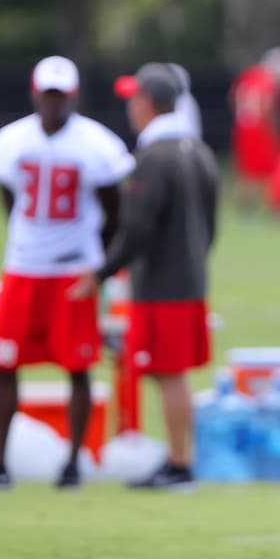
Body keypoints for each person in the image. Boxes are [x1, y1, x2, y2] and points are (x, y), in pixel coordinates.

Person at [0, 56, 134, 489]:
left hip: (71, 271)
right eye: (48, 95)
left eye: (61, 96)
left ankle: (73, 462)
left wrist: (97, 264)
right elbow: (9, 196)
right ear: (35, 93)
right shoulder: (12, 141)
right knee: (4, 361)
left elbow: (114, 211)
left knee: (78, 365)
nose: (54, 104)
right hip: (24, 266)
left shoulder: (95, 144)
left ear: (73, 96)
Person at [72, 63, 219, 490]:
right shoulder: (199, 152)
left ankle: (179, 463)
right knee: (167, 372)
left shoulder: (154, 158)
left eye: (135, 99)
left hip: (162, 285)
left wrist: (100, 273)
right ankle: (179, 459)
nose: (131, 108)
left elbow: (136, 228)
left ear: (148, 103)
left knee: (168, 371)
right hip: (188, 278)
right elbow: (210, 225)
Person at [229, 47, 280, 213]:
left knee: (246, 172)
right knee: (272, 171)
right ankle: (277, 208)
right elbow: (266, 105)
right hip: (259, 129)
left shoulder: (248, 75)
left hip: (242, 127)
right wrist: (273, 128)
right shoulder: (267, 80)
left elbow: (233, 98)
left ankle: (246, 211)